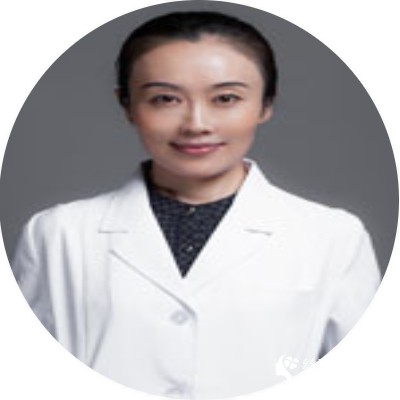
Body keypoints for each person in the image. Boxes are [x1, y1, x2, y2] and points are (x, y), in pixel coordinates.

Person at [12, 11, 381, 399]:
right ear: (127, 105)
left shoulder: (334, 236)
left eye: (226, 98)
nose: (196, 124)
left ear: (265, 104)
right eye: (165, 99)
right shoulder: (56, 234)